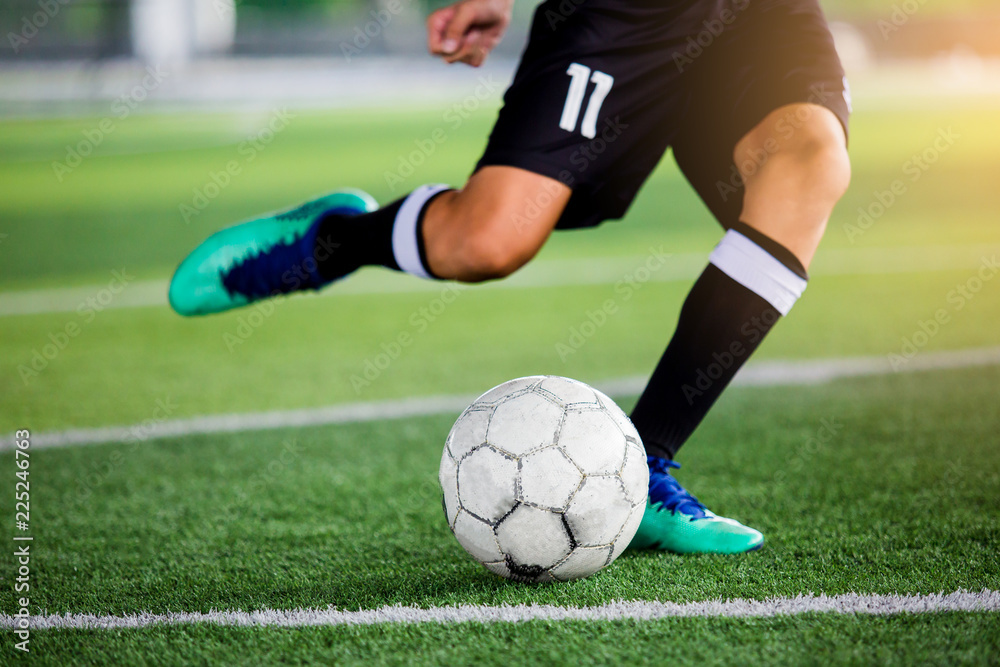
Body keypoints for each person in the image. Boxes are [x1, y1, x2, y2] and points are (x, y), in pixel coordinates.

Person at [169, 0, 851, 554]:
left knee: (811, 160)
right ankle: (335, 241)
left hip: (759, 19)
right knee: (488, 240)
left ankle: (643, 471)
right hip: (617, 18)